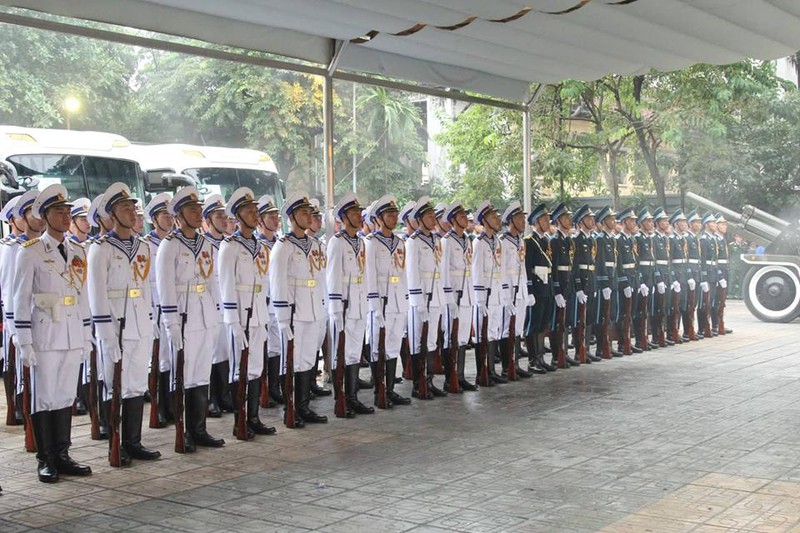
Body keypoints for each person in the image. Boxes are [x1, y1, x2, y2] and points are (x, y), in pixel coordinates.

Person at [14, 184, 93, 483]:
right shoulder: (31, 251)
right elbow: (20, 299)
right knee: (44, 398)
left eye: (67, 211)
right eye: (59, 212)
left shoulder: (78, 250)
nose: (65, 216)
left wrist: (86, 335)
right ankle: (45, 458)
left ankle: (62, 453)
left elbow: (82, 296)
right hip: (45, 336)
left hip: (71, 332)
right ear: (45, 216)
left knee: (64, 395)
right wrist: (24, 342)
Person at [88, 182, 162, 466]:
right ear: (112, 214)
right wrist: (105, 333)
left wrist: (151, 320)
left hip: (139, 324)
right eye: (125, 209)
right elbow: (97, 294)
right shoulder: (101, 249)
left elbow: (146, 288)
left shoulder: (142, 246)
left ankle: (133, 441)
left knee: (136, 384)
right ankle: (115, 442)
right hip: (115, 327)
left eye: (133, 208)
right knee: (114, 385)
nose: (132, 213)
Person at [156, 186, 225, 451]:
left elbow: (212, 282)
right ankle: (183, 430)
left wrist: (217, 313)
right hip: (183, 317)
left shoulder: (206, 243)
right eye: (192, 210)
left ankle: (199, 429)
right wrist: (171, 322)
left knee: (201, 373)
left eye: (199, 209)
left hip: (205, 315)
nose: (198, 214)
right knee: (183, 374)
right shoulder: (170, 245)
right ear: (179, 215)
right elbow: (165, 287)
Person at [218, 187, 277, 438]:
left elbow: (264, 282)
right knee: (239, 369)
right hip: (240, 315)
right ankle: (239, 421)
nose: (255, 215)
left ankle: (253, 417)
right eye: (250, 211)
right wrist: (232, 320)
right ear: (238, 216)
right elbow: (226, 286)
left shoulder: (261, 247)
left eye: (256, 211)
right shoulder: (229, 246)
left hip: (259, 314)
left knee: (255, 367)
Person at [270, 192, 328, 427]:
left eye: (309, 213)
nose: (309, 217)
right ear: (292, 217)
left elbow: (320, 278)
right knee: (292, 361)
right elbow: (277, 284)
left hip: (313, 309)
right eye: (304, 213)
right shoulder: (283, 246)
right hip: (294, 312)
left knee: (307, 360)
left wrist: (322, 307)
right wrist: (282, 318)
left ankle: (303, 406)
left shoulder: (315, 245)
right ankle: (291, 408)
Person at [326, 192, 374, 417]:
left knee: (354, 353)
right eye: (354, 213)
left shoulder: (361, 242)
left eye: (359, 212)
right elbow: (333, 277)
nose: (359, 216)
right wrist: (335, 309)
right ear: (344, 217)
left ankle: (353, 397)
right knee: (341, 353)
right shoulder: (337, 242)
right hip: (344, 306)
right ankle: (341, 399)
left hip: (359, 304)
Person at [406, 196, 449, 397]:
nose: (433, 220)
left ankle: (429, 381)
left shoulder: (437, 240)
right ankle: (418, 384)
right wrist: (418, 302)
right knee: (418, 341)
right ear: (420, 219)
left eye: (433, 216)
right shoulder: (413, 242)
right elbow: (412, 274)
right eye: (429, 216)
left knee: (431, 341)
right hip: (421, 298)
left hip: (436, 296)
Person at [439, 200, 480, 390]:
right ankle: (450, 378)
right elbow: (444, 272)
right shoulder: (446, 241)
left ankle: (460, 376)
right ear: (453, 220)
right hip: (454, 295)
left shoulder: (467, 240)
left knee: (463, 336)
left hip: (467, 294)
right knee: (451, 336)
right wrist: (448, 298)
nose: (466, 219)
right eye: (462, 216)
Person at [142, 193, 174, 427]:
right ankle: (159, 407)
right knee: (160, 360)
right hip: (155, 307)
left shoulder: (175, 242)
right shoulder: (146, 245)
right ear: (154, 219)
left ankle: (172, 405)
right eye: (165, 215)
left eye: (171, 215)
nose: (170, 219)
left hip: (173, 306)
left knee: (173, 358)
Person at [202, 194, 234, 419]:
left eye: (225, 216)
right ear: (208, 220)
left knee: (225, 350)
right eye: (218, 216)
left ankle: (224, 395)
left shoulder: (229, 244)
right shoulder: (203, 245)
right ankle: (211, 398)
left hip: (227, 304)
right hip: (209, 305)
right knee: (211, 353)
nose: (224, 220)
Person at [471, 200, 509, 385]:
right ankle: (482, 372)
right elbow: (477, 272)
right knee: (482, 333)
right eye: (493, 217)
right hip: (485, 295)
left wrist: (505, 294)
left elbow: (502, 270)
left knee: (493, 331)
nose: (497, 220)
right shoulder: (479, 243)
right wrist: (479, 299)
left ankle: (491, 370)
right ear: (485, 221)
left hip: (497, 294)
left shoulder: (498, 242)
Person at [499, 201, 535, 377]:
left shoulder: (520, 241)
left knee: (518, 328)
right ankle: (507, 366)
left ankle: (516, 364)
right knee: (507, 328)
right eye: (520, 218)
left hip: (520, 288)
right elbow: (502, 270)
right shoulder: (503, 242)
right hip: (509, 290)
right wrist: (506, 294)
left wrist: (527, 290)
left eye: (523, 218)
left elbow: (523, 267)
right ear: (511, 220)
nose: (523, 222)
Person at [256, 194, 284, 408]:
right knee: (262, 349)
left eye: (277, 216)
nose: (276, 220)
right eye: (271, 216)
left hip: (278, 302)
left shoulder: (280, 243)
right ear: (260, 220)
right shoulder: (257, 245)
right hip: (263, 303)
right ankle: (263, 390)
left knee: (276, 347)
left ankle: (274, 388)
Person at [0, 195, 25, 427]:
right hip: (13, 315)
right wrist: (11, 321)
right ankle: (16, 404)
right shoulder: (9, 248)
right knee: (14, 362)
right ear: (11, 221)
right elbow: (7, 287)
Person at [523, 203, 555, 373]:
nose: (548, 222)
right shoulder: (529, 241)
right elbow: (527, 268)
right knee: (533, 324)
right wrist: (529, 291)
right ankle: (532, 360)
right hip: (536, 288)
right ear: (536, 222)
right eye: (544, 220)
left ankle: (540, 358)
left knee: (543, 324)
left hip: (546, 286)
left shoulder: (545, 240)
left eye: (548, 219)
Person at [306, 199, 331, 398]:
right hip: (308, 303)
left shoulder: (320, 245)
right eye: (315, 217)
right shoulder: (300, 245)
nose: (318, 221)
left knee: (316, 342)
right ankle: (304, 385)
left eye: (319, 217)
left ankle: (312, 381)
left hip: (322, 301)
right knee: (306, 346)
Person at [571, 204, 599, 363]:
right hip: (581, 281)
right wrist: (578, 287)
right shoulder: (576, 240)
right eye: (588, 218)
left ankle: (586, 349)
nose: (592, 221)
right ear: (581, 221)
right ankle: (578, 350)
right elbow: (574, 266)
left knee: (589, 317)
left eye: (592, 218)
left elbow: (593, 263)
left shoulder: (592, 239)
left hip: (591, 281)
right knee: (579, 318)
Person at [549, 202, 574, 368]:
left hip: (568, 282)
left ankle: (564, 352)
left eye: (569, 217)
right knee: (557, 321)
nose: (569, 220)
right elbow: (554, 267)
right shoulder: (555, 241)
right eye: (565, 218)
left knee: (566, 321)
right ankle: (556, 355)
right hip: (560, 284)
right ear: (558, 220)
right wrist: (557, 290)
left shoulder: (568, 240)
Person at [615, 207, 641, 354]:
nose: (634, 223)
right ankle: (622, 343)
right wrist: (624, 282)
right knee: (623, 313)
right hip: (625, 281)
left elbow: (635, 262)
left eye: (634, 221)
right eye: (631, 221)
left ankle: (628, 341)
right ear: (624, 222)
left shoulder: (631, 239)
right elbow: (619, 264)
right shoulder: (618, 240)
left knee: (632, 312)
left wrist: (637, 281)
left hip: (633, 278)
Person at [667, 209, 689, 344]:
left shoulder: (682, 239)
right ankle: (671, 332)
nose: (685, 224)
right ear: (676, 224)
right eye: (682, 222)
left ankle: (677, 330)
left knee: (681, 305)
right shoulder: (672, 239)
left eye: (685, 221)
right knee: (673, 306)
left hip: (683, 276)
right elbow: (669, 261)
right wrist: (674, 279)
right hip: (676, 276)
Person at [651, 207, 672, 347]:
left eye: (667, 221)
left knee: (666, 306)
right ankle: (656, 336)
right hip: (658, 275)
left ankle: (662, 334)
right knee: (657, 308)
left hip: (667, 274)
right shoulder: (653, 238)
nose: (666, 223)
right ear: (657, 223)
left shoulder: (664, 238)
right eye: (663, 221)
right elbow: (654, 261)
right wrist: (658, 279)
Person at [714, 214, 732, 335]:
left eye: (725, 224)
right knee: (716, 299)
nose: (725, 226)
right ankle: (715, 324)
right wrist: (719, 275)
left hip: (724, 269)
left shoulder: (722, 239)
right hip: (718, 271)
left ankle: (720, 323)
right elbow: (714, 260)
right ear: (716, 225)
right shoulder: (715, 239)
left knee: (722, 300)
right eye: (722, 224)